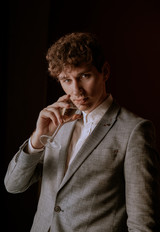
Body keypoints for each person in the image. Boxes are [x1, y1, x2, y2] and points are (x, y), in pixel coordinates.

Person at [4, 32, 160, 232]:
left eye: (84, 76)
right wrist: (37, 138)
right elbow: (13, 185)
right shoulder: (57, 120)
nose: (76, 90)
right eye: (66, 80)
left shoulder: (135, 130)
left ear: (104, 71)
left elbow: (142, 223)